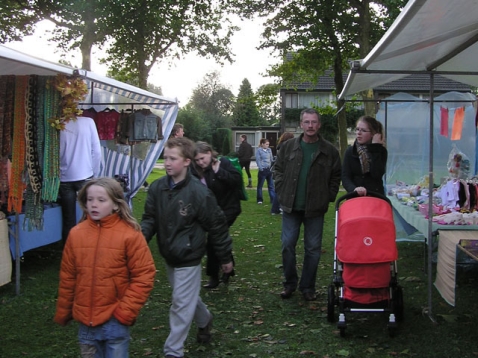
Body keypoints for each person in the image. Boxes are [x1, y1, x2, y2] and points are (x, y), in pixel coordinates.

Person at [141, 137, 234, 358]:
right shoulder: (157, 189)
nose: (167, 163)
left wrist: (225, 257)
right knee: (184, 296)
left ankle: (173, 351)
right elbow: (149, 219)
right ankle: (204, 319)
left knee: (180, 303)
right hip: (169, 253)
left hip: (189, 256)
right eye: (166, 158)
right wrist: (138, 241)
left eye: (173, 158)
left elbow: (217, 225)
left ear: (186, 161)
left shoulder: (199, 193)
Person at [54, 177, 156, 357]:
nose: (94, 204)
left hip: (115, 320)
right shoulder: (76, 234)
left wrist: (125, 312)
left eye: (101, 200)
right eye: (90, 199)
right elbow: (68, 277)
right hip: (86, 322)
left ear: (116, 205)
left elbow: (144, 275)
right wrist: (64, 310)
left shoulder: (130, 234)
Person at [274, 108, 341, 301]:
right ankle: (289, 284)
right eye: (306, 122)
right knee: (288, 245)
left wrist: (328, 195)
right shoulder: (288, 147)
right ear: (301, 125)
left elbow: (336, 175)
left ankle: (307, 287)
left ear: (319, 125)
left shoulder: (329, 150)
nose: (310, 126)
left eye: (314, 122)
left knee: (313, 249)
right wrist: (281, 189)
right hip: (290, 206)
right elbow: (277, 169)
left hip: (315, 208)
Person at [193, 141, 242, 288]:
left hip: (228, 209)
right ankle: (228, 267)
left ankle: (214, 276)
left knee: (214, 240)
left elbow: (237, 181)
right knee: (219, 238)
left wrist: (219, 171)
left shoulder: (224, 162)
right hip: (211, 211)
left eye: (203, 158)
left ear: (209, 153)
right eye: (197, 160)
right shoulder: (196, 170)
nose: (201, 162)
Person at [59, 116, 102, 246]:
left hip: (65, 176)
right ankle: (91, 247)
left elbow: (55, 152)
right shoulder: (88, 122)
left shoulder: (59, 123)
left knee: (68, 219)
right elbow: (97, 151)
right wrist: (94, 173)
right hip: (85, 174)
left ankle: (69, 251)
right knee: (92, 215)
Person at [342, 115, 387, 196]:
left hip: (375, 197)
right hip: (355, 197)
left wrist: (375, 148)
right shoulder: (350, 151)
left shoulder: (381, 151)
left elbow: (377, 174)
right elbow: (345, 177)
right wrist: (354, 189)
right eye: (357, 129)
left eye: (363, 130)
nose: (358, 133)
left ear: (373, 134)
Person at [271, 132, 295, 215]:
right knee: (281, 190)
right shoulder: (287, 147)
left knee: (278, 190)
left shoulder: (280, 146)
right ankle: (277, 208)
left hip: (278, 170)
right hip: (284, 170)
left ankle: (276, 209)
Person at [255, 138, 277, 209]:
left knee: (271, 186)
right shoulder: (259, 151)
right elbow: (258, 160)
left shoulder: (269, 150)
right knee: (260, 185)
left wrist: (273, 163)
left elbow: (271, 159)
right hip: (263, 170)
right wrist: (261, 168)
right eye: (266, 144)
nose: (268, 146)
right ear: (262, 144)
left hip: (269, 170)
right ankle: (259, 199)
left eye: (268, 144)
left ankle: (272, 199)